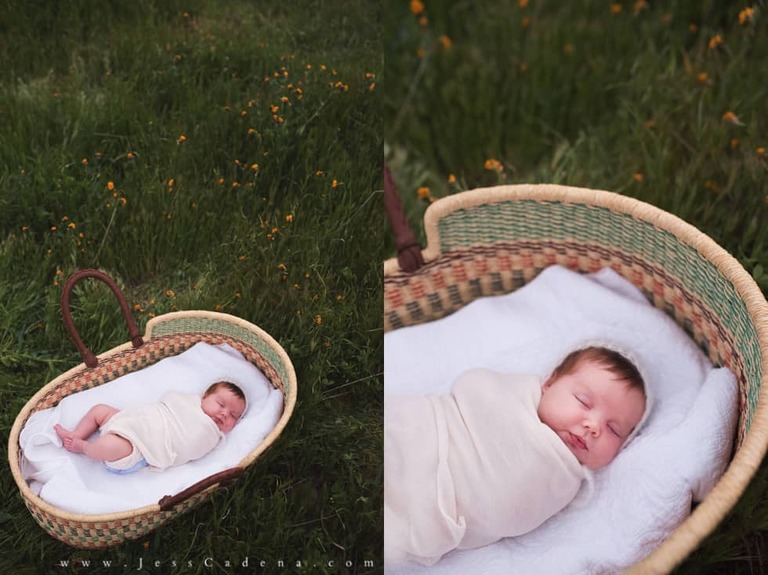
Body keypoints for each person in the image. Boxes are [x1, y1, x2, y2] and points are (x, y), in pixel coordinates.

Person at [384, 345, 648, 567]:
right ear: (549, 382)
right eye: (583, 401)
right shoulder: (513, 395)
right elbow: (475, 387)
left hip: (438, 501)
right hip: (427, 431)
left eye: (614, 429)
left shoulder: (564, 481)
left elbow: (506, 512)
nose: (594, 425)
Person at [54, 381, 247, 474]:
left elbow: (189, 447)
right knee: (100, 410)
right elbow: (166, 404)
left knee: (107, 446)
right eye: (221, 405)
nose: (224, 414)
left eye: (233, 416)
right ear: (204, 396)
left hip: (141, 446)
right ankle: (75, 434)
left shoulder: (212, 435)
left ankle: (83, 447)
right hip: (132, 420)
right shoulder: (188, 402)